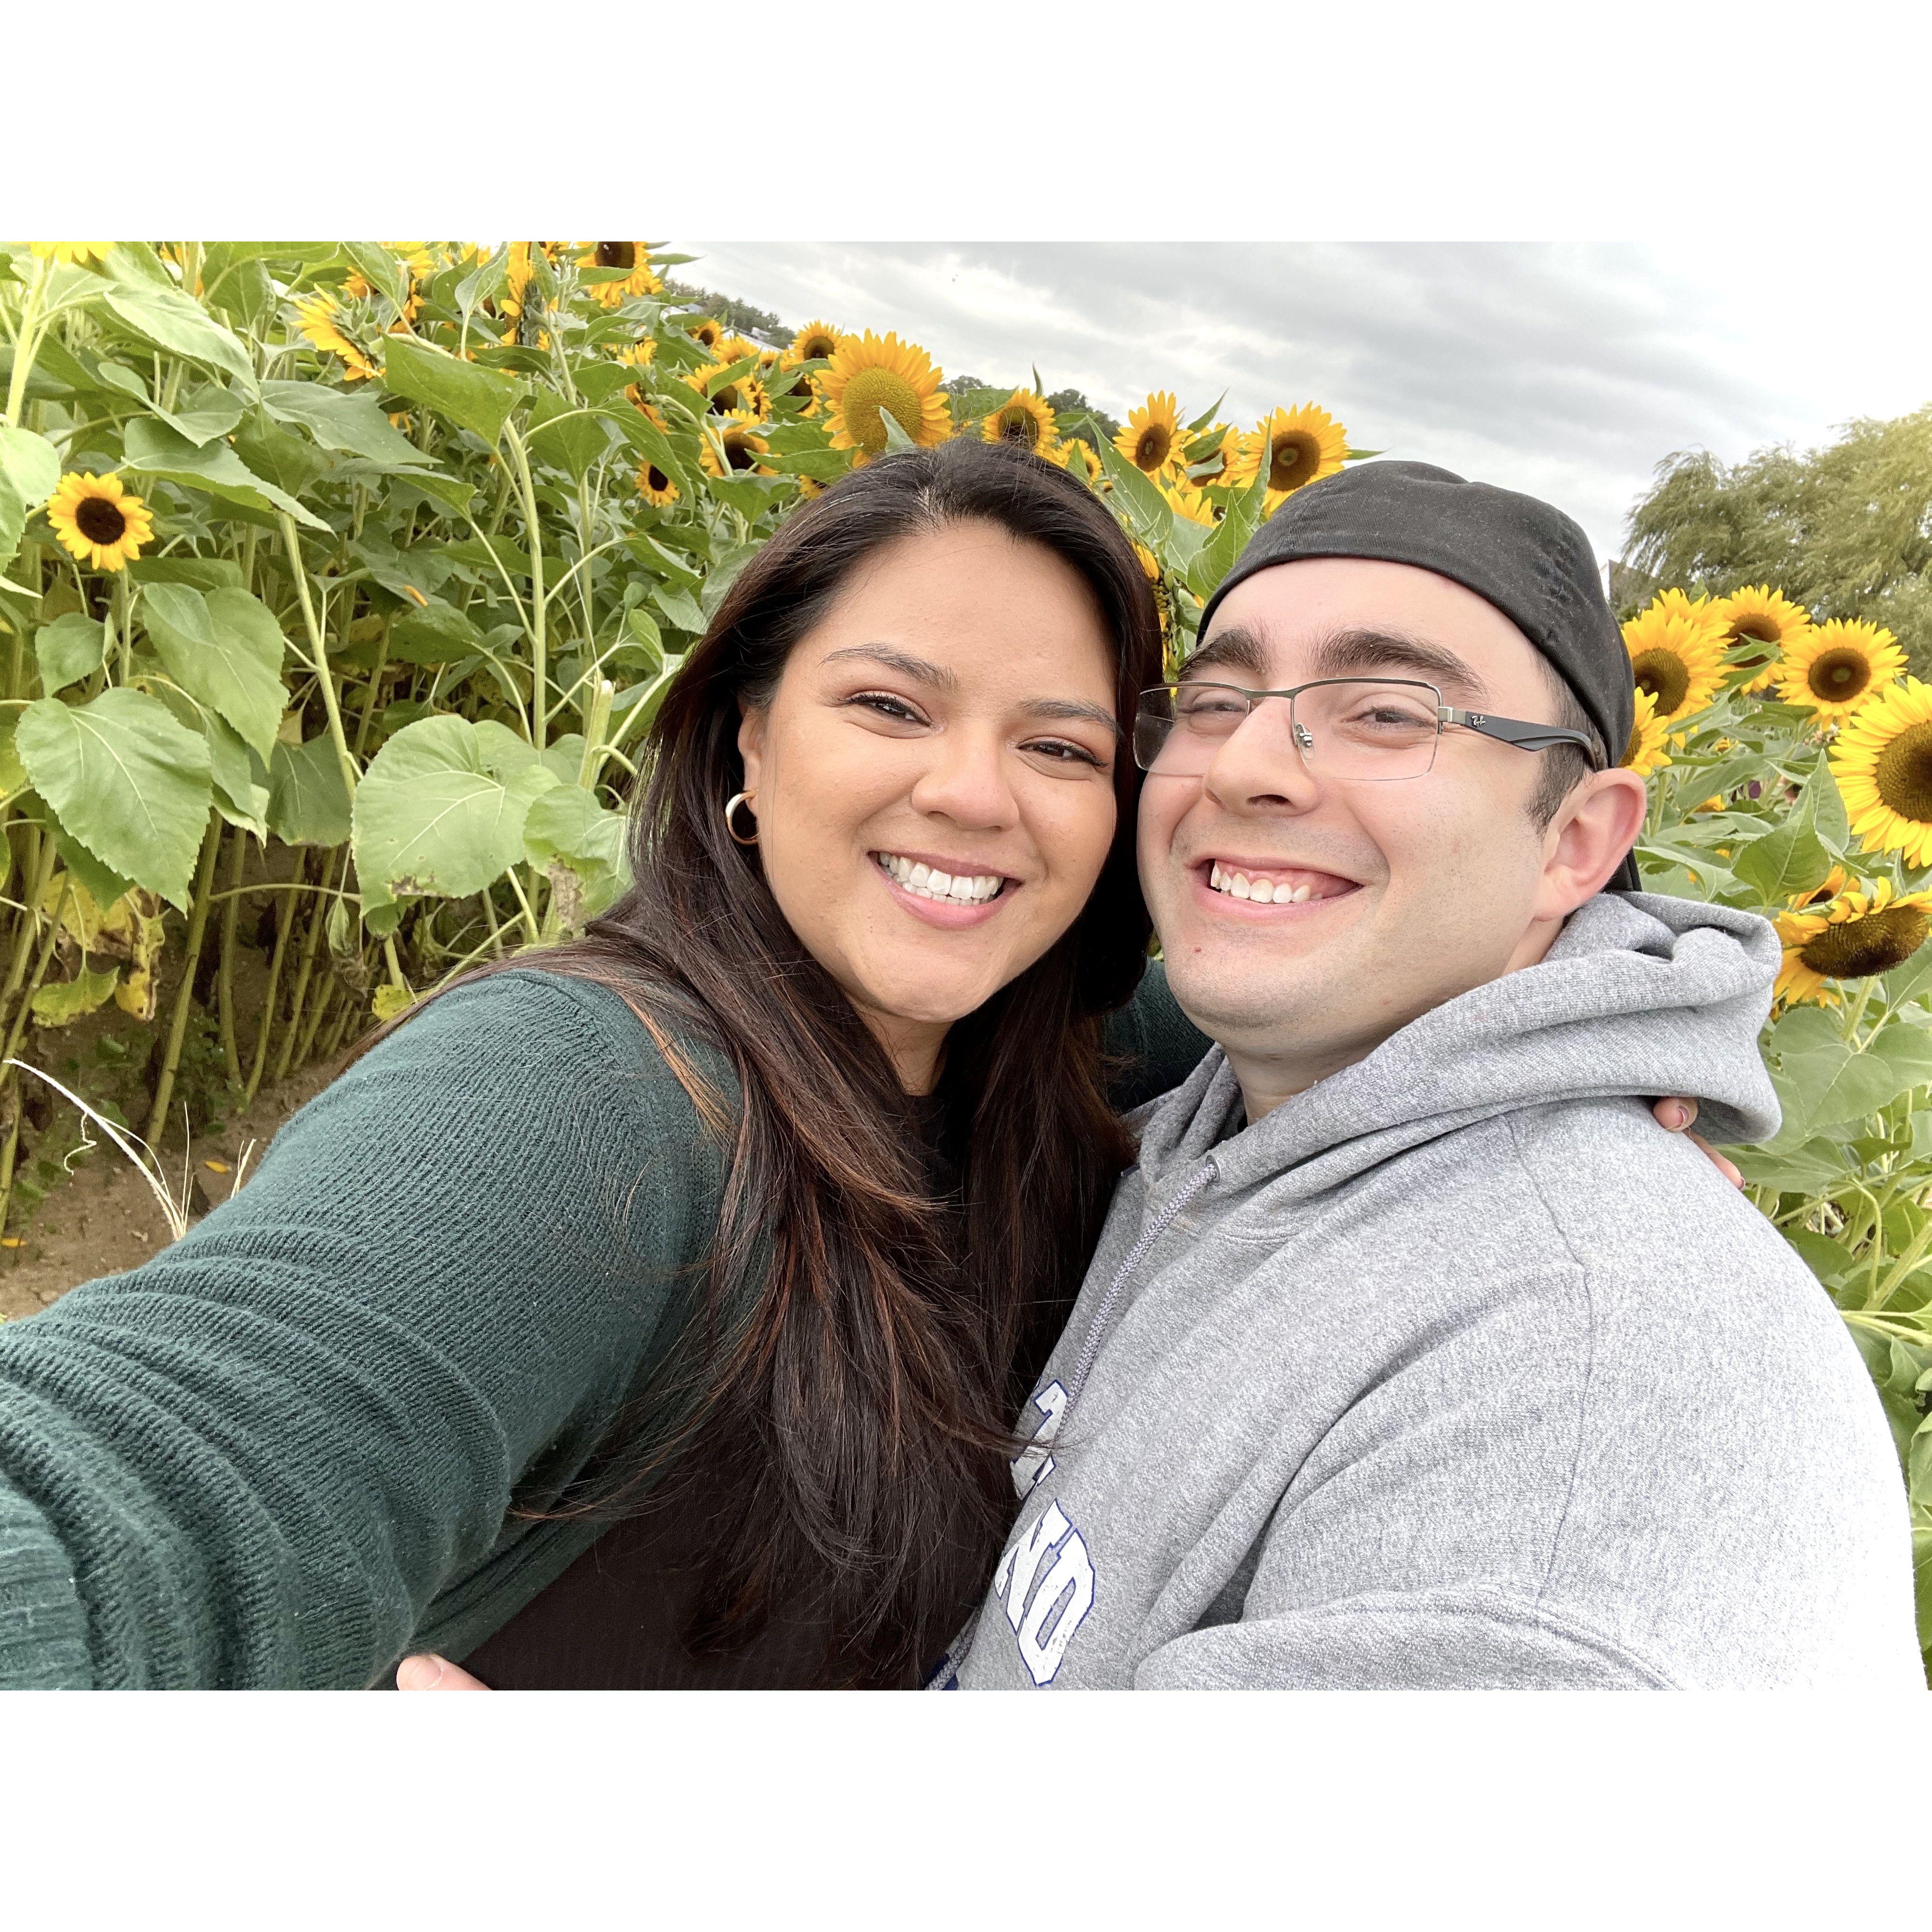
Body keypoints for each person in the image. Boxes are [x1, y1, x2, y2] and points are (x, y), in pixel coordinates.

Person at [0, 442, 1722, 1692]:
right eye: (888, 708)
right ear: (747, 729)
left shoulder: (1064, 1051)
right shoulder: (588, 1100)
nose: (976, 795)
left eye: (1059, 742)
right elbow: (141, 1495)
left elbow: (1376, 938)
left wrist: (1578, 1028)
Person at [947, 461, 1923, 1691]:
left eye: (1391, 714)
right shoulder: (1220, 1126)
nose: (1250, 765)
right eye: (1213, 699)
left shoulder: (1583, 1418)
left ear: (1575, 842)